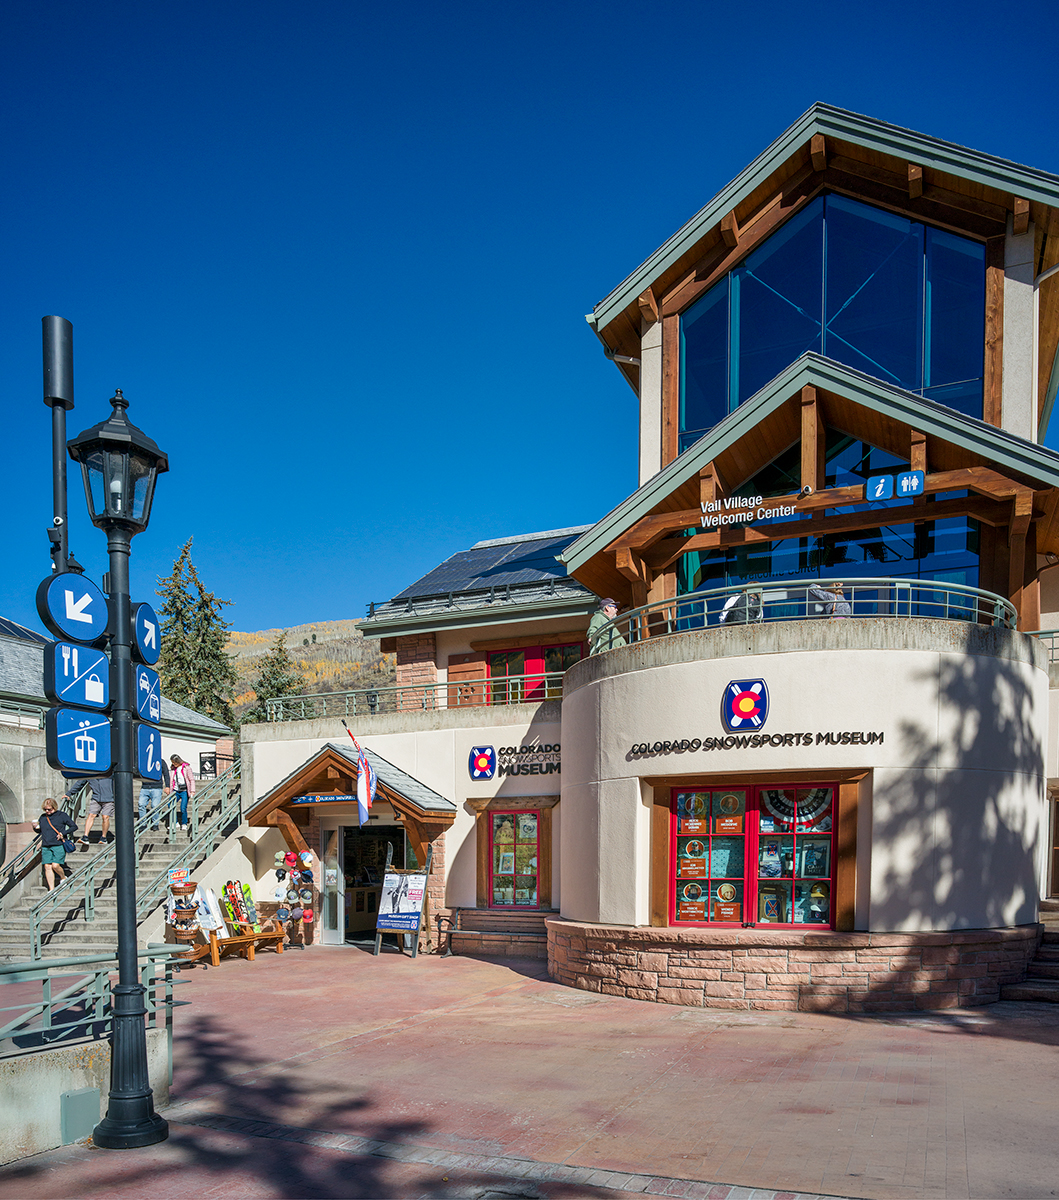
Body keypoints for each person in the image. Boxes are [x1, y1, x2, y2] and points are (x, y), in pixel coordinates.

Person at [33, 798, 77, 891]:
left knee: (55, 865)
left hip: (58, 844)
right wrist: (35, 828)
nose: (47, 811)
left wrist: (63, 833)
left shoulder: (62, 815)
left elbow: (74, 826)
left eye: (49, 809)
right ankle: (51, 889)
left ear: (54, 807)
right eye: (45, 809)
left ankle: (63, 877)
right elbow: (41, 831)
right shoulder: (43, 817)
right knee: (47, 866)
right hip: (46, 845)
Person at [138, 756, 171, 833]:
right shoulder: (144, 760)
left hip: (157, 787)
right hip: (145, 786)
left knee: (155, 806)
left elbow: (166, 774)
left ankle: (155, 824)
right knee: (141, 804)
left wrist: (167, 786)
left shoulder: (161, 761)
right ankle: (143, 823)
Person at [80, 775, 114, 847]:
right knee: (91, 815)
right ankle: (85, 836)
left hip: (109, 800)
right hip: (96, 798)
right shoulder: (91, 774)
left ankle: (103, 837)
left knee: (105, 817)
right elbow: (80, 783)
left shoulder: (110, 774)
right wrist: (69, 794)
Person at [170, 754, 196, 831]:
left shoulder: (186, 768)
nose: (173, 764)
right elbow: (172, 780)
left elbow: (191, 779)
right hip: (175, 790)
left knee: (183, 808)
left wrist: (192, 791)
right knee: (170, 805)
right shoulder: (173, 769)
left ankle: (184, 823)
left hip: (184, 790)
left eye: (174, 763)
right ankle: (175, 822)